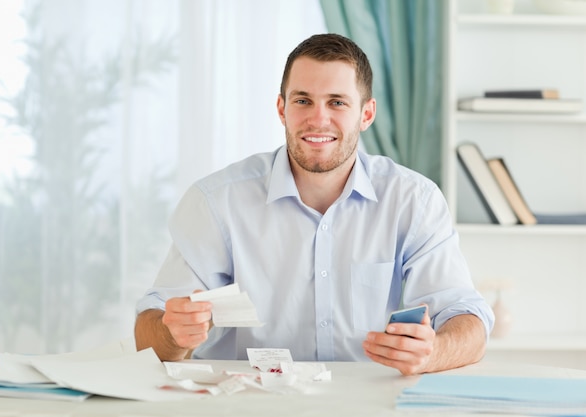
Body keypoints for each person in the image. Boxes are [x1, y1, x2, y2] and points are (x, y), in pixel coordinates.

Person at [134, 33, 494, 376]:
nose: (318, 119)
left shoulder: (414, 200)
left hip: (367, 403)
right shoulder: (216, 201)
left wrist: (433, 352)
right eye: (303, 100)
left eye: (337, 102)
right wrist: (172, 333)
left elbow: (467, 319)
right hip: (248, 403)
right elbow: (149, 333)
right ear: (282, 108)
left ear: (366, 114)